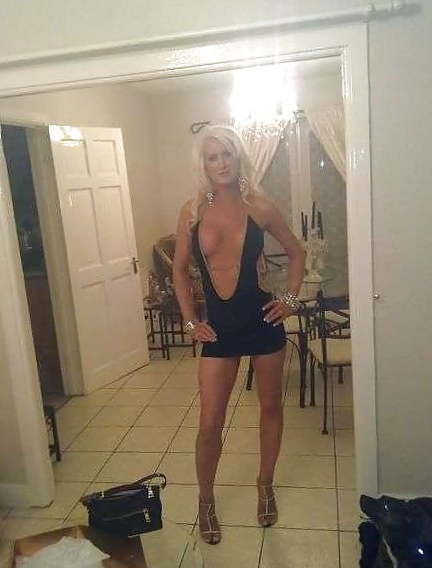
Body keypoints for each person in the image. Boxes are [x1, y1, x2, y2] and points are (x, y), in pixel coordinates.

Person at [173, 125, 305, 545]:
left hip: (262, 320)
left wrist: (290, 300)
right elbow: (179, 271)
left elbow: (297, 251)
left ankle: (265, 485)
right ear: (204, 165)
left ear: (239, 157)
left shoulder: (259, 206)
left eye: (227, 154)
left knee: (271, 408)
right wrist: (191, 322)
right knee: (210, 423)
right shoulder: (193, 211)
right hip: (219, 330)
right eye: (212, 157)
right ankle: (205, 500)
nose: (222, 163)